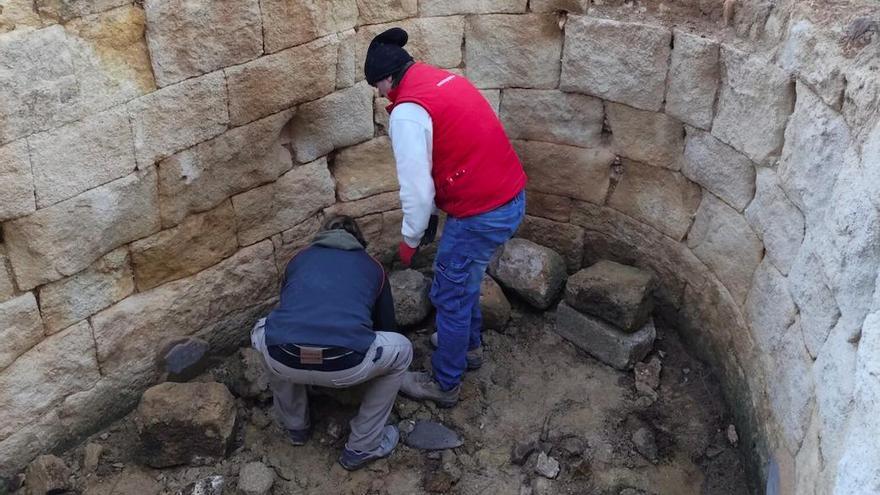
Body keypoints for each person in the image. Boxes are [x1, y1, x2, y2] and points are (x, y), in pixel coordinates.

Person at [363, 28, 527, 408]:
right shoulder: (444, 79)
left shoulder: (407, 112)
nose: (381, 94)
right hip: (509, 196)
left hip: (481, 213)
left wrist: (409, 240)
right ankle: (467, 349)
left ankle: (444, 382)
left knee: (449, 295)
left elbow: (417, 191)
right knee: (464, 278)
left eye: (378, 86)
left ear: (387, 78)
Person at [250, 215, 413, 470]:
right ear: (359, 241)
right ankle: (363, 445)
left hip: (284, 358)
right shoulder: (373, 267)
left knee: (267, 332)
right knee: (402, 350)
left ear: (320, 237)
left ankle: (296, 426)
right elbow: (386, 327)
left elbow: (289, 308)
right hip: (346, 364)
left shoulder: (298, 259)